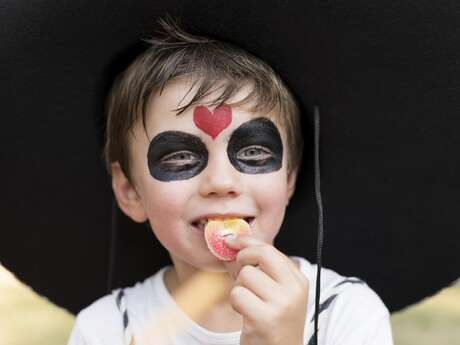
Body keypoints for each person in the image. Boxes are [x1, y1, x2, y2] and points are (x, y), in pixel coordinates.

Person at [67, 17, 393, 345]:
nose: (221, 182)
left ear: (290, 177)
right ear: (130, 191)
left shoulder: (346, 313)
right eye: (180, 157)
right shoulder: (106, 331)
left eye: (253, 151)